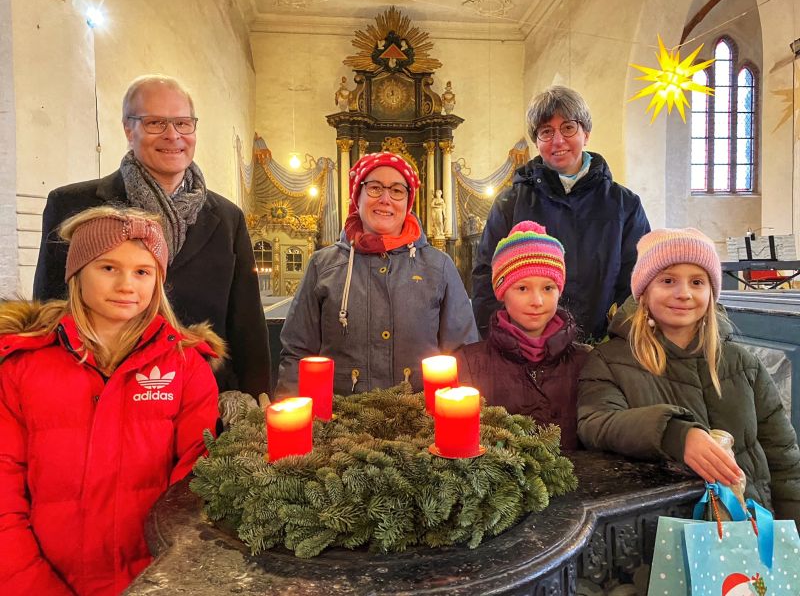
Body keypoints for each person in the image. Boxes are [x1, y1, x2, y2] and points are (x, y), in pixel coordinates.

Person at [0, 206, 223, 595]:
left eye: (142, 271)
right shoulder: (20, 366)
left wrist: (169, 576)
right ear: (77, 273)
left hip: (152, 576)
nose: (126, 284)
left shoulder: (186, 366)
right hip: (45, 576)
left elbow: (195, 481)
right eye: (107, 268)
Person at [32, 74, 269, 398]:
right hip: (102, 396)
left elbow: (247, 328)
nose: (173, 135)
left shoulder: (227, 217)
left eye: (184, 123)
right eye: (156, 122)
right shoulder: (73, 204)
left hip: (203, 399)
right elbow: (50, 310)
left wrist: (256, 406)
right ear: (130, 130)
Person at [577, 228, 800, 524]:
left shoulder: (743, 364)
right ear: (644, 290)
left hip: (753, 531)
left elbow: (783, 459)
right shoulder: (610, 361)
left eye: (697, 282)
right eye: (668, 280)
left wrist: (793, 536)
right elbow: (596, 423)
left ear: (711, 291)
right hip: (664, 537)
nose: (683, 293)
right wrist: (675, 434)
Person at [276, 151, 478, 395]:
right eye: (374, 188)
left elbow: (463, 354)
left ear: (408, 202)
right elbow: (298, 352)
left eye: (397, 190)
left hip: (422, 422)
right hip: (339, 424)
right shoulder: (323, 266)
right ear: (357, 197)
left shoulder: (439, 267)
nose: (385, 198)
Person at [471, 85, 650, 342]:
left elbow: (638, 282)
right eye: (546, 131)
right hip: (527, 351)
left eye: (568, 127)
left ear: (586, 133)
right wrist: (505, 343)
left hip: (602, 349)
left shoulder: (624, 205)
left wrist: (617, 343)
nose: (558, 140)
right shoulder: (510, 203)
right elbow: (487, 279)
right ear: (536, 141)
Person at [454, 221, 590, 450]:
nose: (537, 301)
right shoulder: (469, 364)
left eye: (548, 288)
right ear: (502, 292)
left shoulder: (585, 362)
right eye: (522, 288)